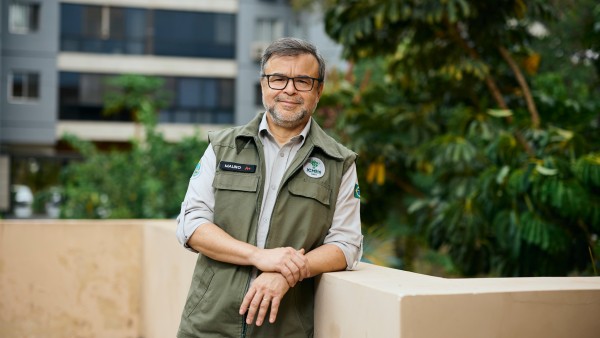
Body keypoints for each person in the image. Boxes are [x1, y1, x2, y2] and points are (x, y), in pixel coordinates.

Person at [175, 37, 363, 338]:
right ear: (264, 85)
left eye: (303, 80)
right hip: (208, 324)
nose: (289, 89)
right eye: (278, 79)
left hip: (285, 329)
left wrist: (286, 273)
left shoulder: (339, 162)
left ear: (318, 90)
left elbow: (346, 245)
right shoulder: (223, 147)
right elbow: (191, 224)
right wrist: (257, 256)